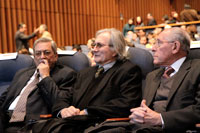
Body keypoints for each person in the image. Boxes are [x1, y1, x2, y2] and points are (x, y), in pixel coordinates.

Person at [33, 28, 142, 132]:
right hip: (72, 123)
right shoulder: (85, 73)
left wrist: (87, 112)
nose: (94, 49)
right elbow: (64, 98)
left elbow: (126, 103)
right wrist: (64, 110)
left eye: (99, 46)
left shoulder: (128, 70)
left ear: (115, 50)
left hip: (100, 125)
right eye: (94, 45)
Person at [129, 27, 200, 132]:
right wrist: (139, 114)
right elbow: (146, 109)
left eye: (158, 43)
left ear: (175, 46)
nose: (153, 48)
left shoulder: (197, 69)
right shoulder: (151, 76)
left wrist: (161, 119)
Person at [0, 38, 77, 132]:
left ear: (56, 56)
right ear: (34, 57)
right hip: (4, 119)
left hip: (31, 124)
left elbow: (60, 103)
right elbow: (4, 98)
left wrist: (45, 76)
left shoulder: (66, 74)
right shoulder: (22, 73)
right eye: (38, 53)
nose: (42, 56)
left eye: (47, 52)